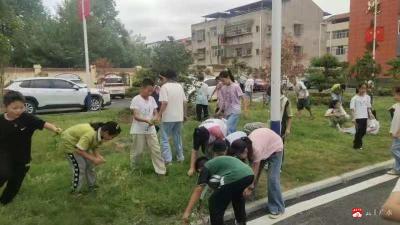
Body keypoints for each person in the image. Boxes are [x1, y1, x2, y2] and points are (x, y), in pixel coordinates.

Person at [0, 91, 62, 205]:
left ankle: (4, 202)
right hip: (4, 153)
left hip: (22, 156)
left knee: (16, 181)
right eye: (14, 108)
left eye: (21, 107)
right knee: (4, 173)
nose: (19, 110)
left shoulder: (27, 118)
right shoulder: (1, 120)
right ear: (5, 107)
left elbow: (43, 124)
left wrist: (55, 129)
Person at [182, 140, 254, 225]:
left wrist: (187, 212)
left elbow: (198, 189)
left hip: (236, 177)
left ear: (199, 169)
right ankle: (241, 222)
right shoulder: (219, 162)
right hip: (249, 174)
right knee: (237, 196)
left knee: (214, 202)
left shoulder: (206, 167)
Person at [228, 128, 285, 219]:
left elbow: (254, 172)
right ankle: (250, 197)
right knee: (252, 176)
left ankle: (277, 208)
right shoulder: (245, 146)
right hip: (264, 145)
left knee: (272, 179)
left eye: (238, 154)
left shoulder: (256, 150)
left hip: (275, 148)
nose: (237, 156)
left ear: (245, 151)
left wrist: (250, 187)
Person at [60, 121, 121, 193]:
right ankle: (75, 191)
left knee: (90, 164)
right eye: (112, 136)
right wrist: (94, 159)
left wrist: (98, 156)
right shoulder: (90, 134)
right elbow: (79, 150)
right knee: (80, 167)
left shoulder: (101, 133)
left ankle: (92, 186)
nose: (112, 138)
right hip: (70, 143)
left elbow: (94, 145)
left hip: (80, 144)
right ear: (106, 132)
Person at [130, 79, 166, 176]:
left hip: (151, 129)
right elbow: (136, 116)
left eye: (151, 91)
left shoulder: (152, 99)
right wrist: (146, 120)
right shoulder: (136, 99)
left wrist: (155, 118)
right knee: (138, 152)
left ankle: (161, 171)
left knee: (156, 150)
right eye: (148, 90)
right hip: (138, 130)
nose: (150, 93)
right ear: (142, 88)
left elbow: (155, 112)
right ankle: (135, 170)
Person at [157, 69, 187, 165]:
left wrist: (159, 114)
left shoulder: (164, 87)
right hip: (179, 116)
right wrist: (184, 114)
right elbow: (184, 101)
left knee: (164, 138)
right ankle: (180, 157)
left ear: (165, 77)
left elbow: (164, 102)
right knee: (177, 137)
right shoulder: (179, 86)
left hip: (168, 118)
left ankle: (168, 160)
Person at [217, 70, 244, 135]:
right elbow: (223, 101)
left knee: (227, 126)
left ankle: (229, 141)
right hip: (227, 111)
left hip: (235, 111)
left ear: (228, 77)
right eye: (221, 81)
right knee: (232, 128)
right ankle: (234, 142)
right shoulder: (223, 88)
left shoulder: (236, 86)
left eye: (223, 80)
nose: (222, 82)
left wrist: (244, 109)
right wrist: (219, 111)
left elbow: (243, 98)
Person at [350, 83, 372, 151]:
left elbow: (368, 107)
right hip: (357, 117)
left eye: (365, 88)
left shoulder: (367, 97)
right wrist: (353, 118)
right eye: (362, 88)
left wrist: (370, 114)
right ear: (358, 88)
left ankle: (355, 141)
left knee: (363, 132)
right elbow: (352, 109)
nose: (363, 90)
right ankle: (358, 146)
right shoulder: (354, 98)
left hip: (365, 117)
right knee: (359, 131)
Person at [387, 87, 400, 175]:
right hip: (396, 132)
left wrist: (398, 132)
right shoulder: (397, 105)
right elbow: (394, 118)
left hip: (398, 133)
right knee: (397, 150)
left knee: (393, 150)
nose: (394, 96)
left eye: (395, 94)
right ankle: (397, 169)